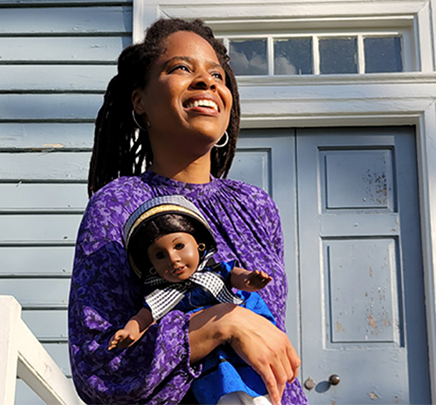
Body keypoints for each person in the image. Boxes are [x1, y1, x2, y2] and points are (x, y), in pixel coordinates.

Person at [68, 18, 308, 405]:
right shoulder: (117, 204)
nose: (207, 82)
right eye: (181, 68)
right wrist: (220, 323)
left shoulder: (255, 206)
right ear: (140, 101)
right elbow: (98, 368)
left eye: (218, 75)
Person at [108, 195, 276, 404]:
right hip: (209, 350)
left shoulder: (215, 272)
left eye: (179, 246)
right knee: (222, 387)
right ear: (151, 266)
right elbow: (144, 316)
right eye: (160, 256)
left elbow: (237, 277)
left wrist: (251, 279)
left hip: (243, 336)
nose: (173, 258)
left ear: (199, 245)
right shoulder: (163, 295)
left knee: (257, 384)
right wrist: (130, 331)